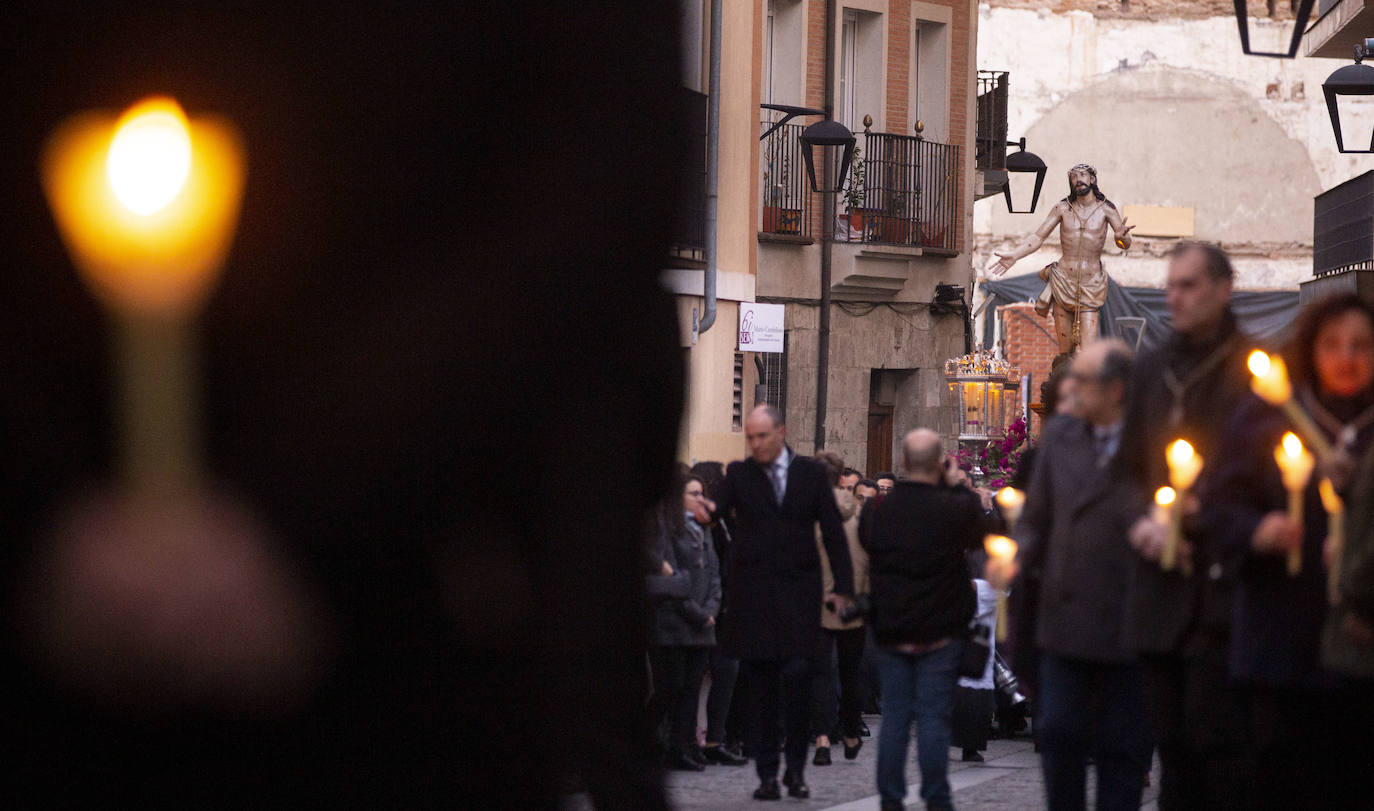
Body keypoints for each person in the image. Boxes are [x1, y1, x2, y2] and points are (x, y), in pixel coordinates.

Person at [1203, 294, 1374, 806]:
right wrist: (1259, 531)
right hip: (1284, 645)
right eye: (1332, 345)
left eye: (1362, 346)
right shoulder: (1271, 415)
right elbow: (1219, 509)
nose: (1347, 358)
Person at [1117, 242, 1255, 810]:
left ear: (1223, 290)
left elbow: (1269, 475)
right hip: (1160, 592)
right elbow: (1124, 473)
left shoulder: (1252, 371)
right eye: (1171, 285)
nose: (1175, 296)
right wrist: (1142, 521)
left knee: (1217, 748)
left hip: (1225, 592)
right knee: (1171, 746)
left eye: (1190, 285)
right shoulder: (1150, 368)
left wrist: (1208, 511)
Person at [1016, 340, 1153, 810]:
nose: (1069, 388)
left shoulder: (1153, 444)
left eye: (1082, 381)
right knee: (1059, 736)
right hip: (1065, 622)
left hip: (1129, 625)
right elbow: (1035, 521)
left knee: (1122, 752)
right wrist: (1018, 561)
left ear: (1115, 390)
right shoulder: (1060, 439)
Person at [714, 404, 855, 801]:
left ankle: (795, 770)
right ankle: (766, 775)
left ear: (781, 432)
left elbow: (832, 533)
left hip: (798, 597)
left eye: (762, 436)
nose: (755, 444)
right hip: (754, 599)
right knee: (761, 692)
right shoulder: (740, 474)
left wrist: (842, 587)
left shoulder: (809, 475)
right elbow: (718, 510)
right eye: (750, 437)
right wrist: (703, 511)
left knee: (796, 684)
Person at [860, 429, 985, 811]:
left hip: (894, 625)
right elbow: (979, 531)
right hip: (941, 627)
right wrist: (956, 486)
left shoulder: (880, 509)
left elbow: (869, 545)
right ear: (940, 464)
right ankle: (936, 798)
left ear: (902, 463)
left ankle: (891, 798)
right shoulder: (954, 507)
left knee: (896, 718)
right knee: (933, 718)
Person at [987, 164, 1135, 353]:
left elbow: (1124, 244)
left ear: (1092, 179)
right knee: (1064, 352)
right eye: (1073, 177)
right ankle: (1061, 378)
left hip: (1092, 284)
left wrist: (1122, 238)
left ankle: (1085, 380)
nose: (1078, 180)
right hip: (1063, 281)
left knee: (1088, 349)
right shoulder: (1062, 208)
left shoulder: (1107, 209)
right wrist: (1015, 255)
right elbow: (1038, 237)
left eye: (1083, 175)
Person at [647, 474, 722, 771]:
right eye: (694, 493)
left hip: (702, 624)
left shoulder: (703, 529)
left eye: (702, 493)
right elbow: (673, 581)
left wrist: (712, 607)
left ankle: (684, 746)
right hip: (675, 623)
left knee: (690, 691)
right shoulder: (667, 530)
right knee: (670, 689)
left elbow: (714, 575)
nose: (701, 499)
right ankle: (655, 743)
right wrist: (699, 613)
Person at [809, 451, 870, 767]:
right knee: (850, 673)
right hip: (852, 605)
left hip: (816, 603)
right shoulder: (859, 516)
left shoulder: (809, 517)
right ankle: (849, 733)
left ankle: (821, 738)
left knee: (819, 672)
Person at [690, 461, 750, 766]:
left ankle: (716, 737)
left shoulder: (726, 523)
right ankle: (694, 740)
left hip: (726, 610)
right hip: (708, 611)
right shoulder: (707, 525)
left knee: (727, 676)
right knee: (690, 682)